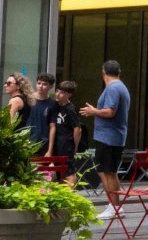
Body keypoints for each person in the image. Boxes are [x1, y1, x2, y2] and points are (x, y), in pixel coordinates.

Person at [77, 60, 131, 201]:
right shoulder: (121, 87)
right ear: (119, 72)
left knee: (106, 172)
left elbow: (110, 111)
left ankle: (114, 206)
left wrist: (94, 111)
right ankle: (115, 206)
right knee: (109, 172)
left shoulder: (113, 88)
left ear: (103, 73)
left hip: (108, 137)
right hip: (113, 136)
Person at [47, 82, 82, 178]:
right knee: (57, 170)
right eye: (57, 91)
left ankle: (71, 187)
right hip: (56, 143)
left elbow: (77, 128)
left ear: (69, 95)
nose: (58, 94)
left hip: (66, 144)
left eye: (62, 93)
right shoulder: (56, 105)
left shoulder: (70, 109)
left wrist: (75, 146)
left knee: (68, 170)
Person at [25, 74, 57, 158]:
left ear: (51, 86)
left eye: (44, 84)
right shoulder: (27, 99)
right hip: (27, 141)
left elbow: (52, 126)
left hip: (44, 143)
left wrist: (50, 150)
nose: (40, 86)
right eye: (39, 83)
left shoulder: (52, 103)